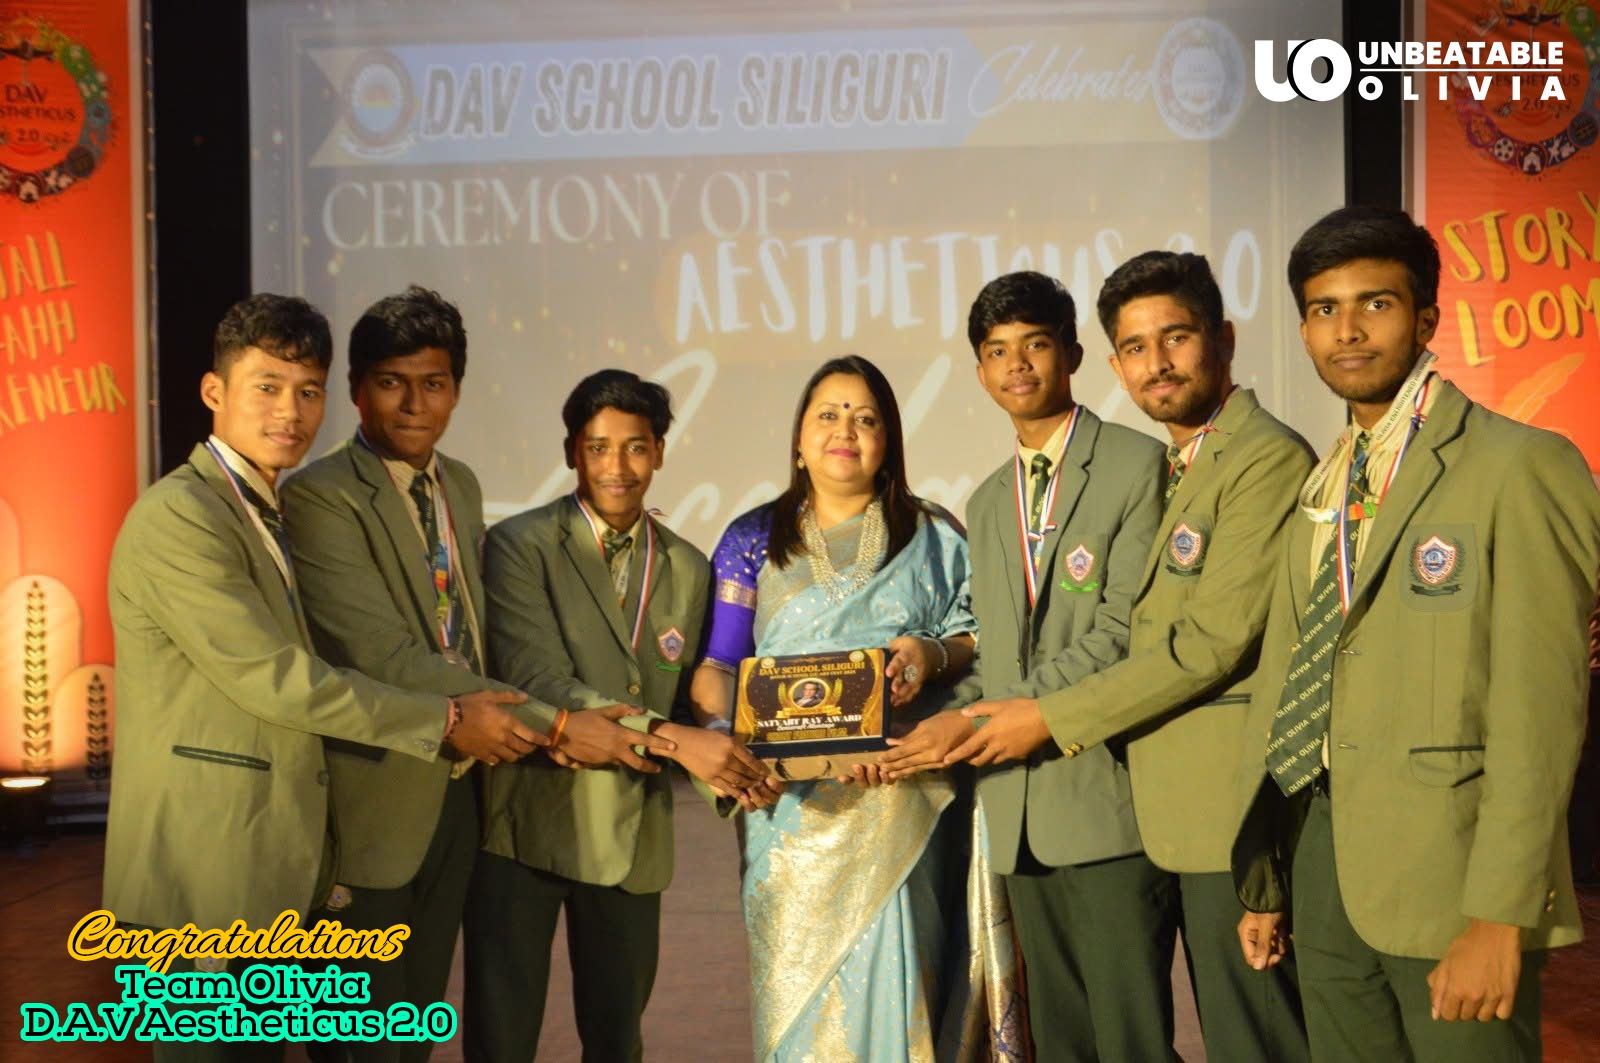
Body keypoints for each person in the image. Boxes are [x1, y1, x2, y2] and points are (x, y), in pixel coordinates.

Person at [102, 294, 540, 1062]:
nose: (290, 411)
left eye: (307, 391)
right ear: (214, 391)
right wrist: (444, 720)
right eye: (267, 387)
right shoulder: (181, 515)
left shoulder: (264, 509)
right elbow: (277, 677)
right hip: (204, 870)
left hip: (275, 858)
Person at [1231, 205, 1600, 1060]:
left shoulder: (1522, 465)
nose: (1348, 330)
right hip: (1322, 860)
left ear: (1428, 319)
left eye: (1377, 303)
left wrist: (1501, 913)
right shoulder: (1324, 483)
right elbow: (1295, 675)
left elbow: (1541, 713)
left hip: (1454, 881)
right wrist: (1273, 873)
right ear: (1303, 330)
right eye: (1324, 309)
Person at [931, 253, 1312, 1061]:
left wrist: (1042, 716)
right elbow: (1005, 647)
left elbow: (1192, 642)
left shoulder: (1237, 457)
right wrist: (939, 709)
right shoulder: (1008, 496)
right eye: (1136, 347)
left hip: (1209, 801)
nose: (1156, 362)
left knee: (1235, 1038)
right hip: (1091, 800)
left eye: (1175, 337)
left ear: (1223, 339)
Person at [281, 288, 647, 1061]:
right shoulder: (319, 496)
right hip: (370, 803)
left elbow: (472, 636)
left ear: (455, 390)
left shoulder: (461, 484)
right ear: (356, 389)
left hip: (458, 800)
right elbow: (381, 654)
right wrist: (552, 723)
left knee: (411, 1033)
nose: (416, 404)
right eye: (392, 382)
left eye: (435, 383)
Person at [883, 271, 1177, 1061]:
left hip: (1108, 801)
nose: (1016, 365)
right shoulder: (986, 502)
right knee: (1063, 1043)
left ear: (1072, 354)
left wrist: (990, 716)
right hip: (1017, 815)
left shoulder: (1137, 465)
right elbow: (998, 654)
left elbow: (1124, 632)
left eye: (1035, 345)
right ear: (980, 372)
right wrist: (933, 721)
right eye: (997, 351)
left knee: (1132, 1041)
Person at [688, 355, 989, 1062]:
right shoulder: (752, 538)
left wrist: (927, 654)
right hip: (787, 806)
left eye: (865, 417)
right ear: (799, 437)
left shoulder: (933, 535)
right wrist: (730, 739)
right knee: (796, 1004)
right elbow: (718, 669)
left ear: (889, 441)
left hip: (899, 795)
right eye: (828, 414)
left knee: (902, 988)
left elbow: (978, 638)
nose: (844, 430)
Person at [465, 369, 767, 1063]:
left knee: (616, 1041)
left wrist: (740, 762)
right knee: (501, 1040)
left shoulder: (688, 566)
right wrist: (670, 738)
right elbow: (535, 677)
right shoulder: (518, 544)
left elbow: (697, 694)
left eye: (635, 447)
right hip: (527, 820)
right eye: (598, 447)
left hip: (632, 833)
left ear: (658, 451)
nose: (617, 467)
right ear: (572, 451)